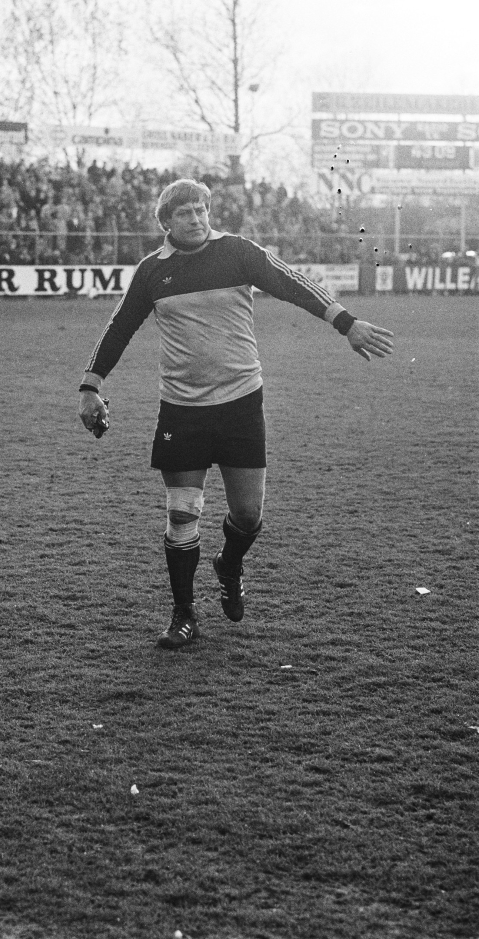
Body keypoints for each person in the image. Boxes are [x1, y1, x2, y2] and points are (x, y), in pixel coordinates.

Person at [78, 179, 394, 650]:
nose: (197, 219)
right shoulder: (151, 272)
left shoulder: (238, 252)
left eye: (202, 209)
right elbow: (120, 326)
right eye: (185, 212)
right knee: (182, 513)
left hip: (241, 402)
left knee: (248, 515)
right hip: (182, 408)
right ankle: (184, 614)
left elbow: (291, 283)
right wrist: (91, 386)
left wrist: (345, 322)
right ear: (167, 222)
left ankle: (228, 565)